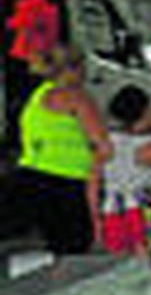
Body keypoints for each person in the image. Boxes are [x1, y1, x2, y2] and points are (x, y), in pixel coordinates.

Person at [7, 45, 110, 255]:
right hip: (67, 180)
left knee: (56, 248)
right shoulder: (77, 97)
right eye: (83, 67)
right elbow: (103, 145)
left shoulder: (37, 96)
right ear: (74, 69)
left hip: (32, 177)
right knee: (76, 249)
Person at [101, 86, 151, 257]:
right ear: (146, 111)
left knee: (119, 264)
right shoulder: (148, 145)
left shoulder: (106, 141)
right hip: (143, 208)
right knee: (148, 259)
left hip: (112, 208)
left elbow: (94, 178)